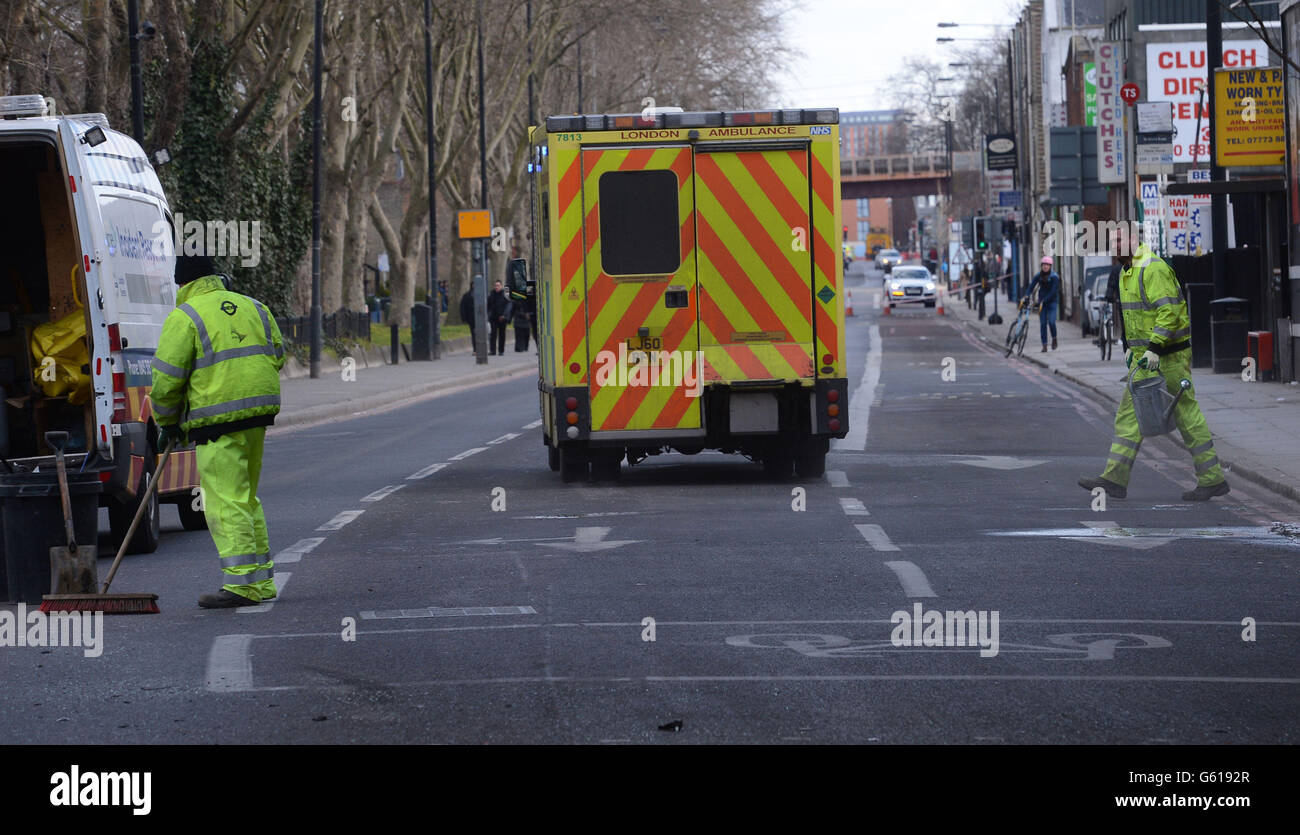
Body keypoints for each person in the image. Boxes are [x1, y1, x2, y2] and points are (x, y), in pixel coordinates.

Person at [150, 254, 285, 608]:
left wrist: (166, 423)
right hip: (256, 416)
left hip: (216, 423)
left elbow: (166, 380)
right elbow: (278, 354)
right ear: (216, 277)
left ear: (182, 284)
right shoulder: (254, 306)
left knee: (224, 502)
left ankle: (241, 586)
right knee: (245, 498)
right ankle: (262, 582)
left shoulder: (186, 317)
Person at [1078, 223, 1229, 502]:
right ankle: (1115, 478)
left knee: (1185, 415)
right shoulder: (1127, 272)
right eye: (1112, 241)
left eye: (1120, 239)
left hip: (1168, 357)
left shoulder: (1153, 268)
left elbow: (1169, 312)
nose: (1115, 245)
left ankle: (1213, 479)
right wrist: (1128, 348)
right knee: (1129, 416)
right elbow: (1132, 318)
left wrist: (1155, 348)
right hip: (1145, 361)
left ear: (1135, 239)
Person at [1024, 255, 1060, 352]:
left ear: (1050, 266)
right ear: (1041, 265)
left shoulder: (1054, 277)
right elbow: (1031, 287)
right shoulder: (1038, 276)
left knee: (1052, 322)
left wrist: (1045, 300)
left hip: (1052, 302)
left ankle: (1054, 338)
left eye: (1047, 265)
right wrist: (1027, 295)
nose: (1045, 266)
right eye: (1044, 264)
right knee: (1043, 324)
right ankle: (1044, 345)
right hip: (1042, 304)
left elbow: (1053, 292)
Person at [487, 279, 511, 356]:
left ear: (501, 286)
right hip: (493, 317)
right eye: (495, 286)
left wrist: (504, 315)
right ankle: (492, 350)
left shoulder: (505, 294)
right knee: (493, 334)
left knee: (502, 334)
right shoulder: (491, 294)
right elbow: (488, 305)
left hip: (502, 318)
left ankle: (501, 350)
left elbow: (508, 305)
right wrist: (489, 315)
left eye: (498, 285)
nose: (496, 287)